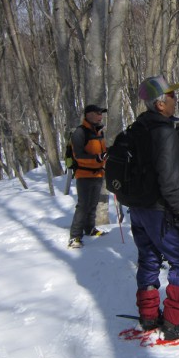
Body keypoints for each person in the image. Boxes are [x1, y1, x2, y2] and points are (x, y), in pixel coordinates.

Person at [129, 75, 179, 340]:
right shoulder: (164, 133)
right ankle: (174, 323)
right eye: (170, 96)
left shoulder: (137, 128)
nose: (175, 100)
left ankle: (148, 317)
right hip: (159, 210)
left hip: (137, 207)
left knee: (148, 258)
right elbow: (169, 180)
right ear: (159, 104)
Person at [68, 104, 108, 249]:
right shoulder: (80, 132)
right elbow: (77, 156)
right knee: (83, 205)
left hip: (98, 173)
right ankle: (74, 236)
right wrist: (97, 158)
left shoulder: (99, 131)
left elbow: (101, 152)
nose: (100, 116)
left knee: (93, 204)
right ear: (88, 115)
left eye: (101, 113)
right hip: (84, 174)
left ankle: (89, 228)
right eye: (98, 113)